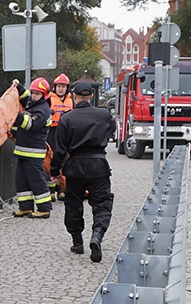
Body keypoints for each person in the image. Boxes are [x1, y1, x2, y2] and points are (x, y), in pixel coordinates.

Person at [49, 81, 116, 262]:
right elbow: (112, 129)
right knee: (102, 203)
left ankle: (77, 242)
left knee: (73, 204)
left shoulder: (66, 118)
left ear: (75, 97)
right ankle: (97, 235)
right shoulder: (103, 115)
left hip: (75, 168)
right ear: (91, 97)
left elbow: (60, 150)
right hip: (98, 165)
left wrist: (55, 171)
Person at [11, 77, 53, 219]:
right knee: (21, 180)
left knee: (36, 180)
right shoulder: (33, 103)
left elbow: (31, 125)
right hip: (23, 151)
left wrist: (16, 116)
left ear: (44, 95)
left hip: (34, 153)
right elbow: (25, 98)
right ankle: (25, 207)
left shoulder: (43, 110)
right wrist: (19, 87)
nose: (33, 96)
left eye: (37, 94)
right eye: (33, 92)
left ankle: (44, 208)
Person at [46, 73, 74, 201]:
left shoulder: (70, 100)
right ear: (55, 87)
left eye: (63, 86)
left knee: (63, 160)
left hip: (65, 132)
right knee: (50, 160)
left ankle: (61, 190)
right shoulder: (49, 99)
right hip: (51, 131)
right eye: (59, 86)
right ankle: (51, 190)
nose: (61, 89)